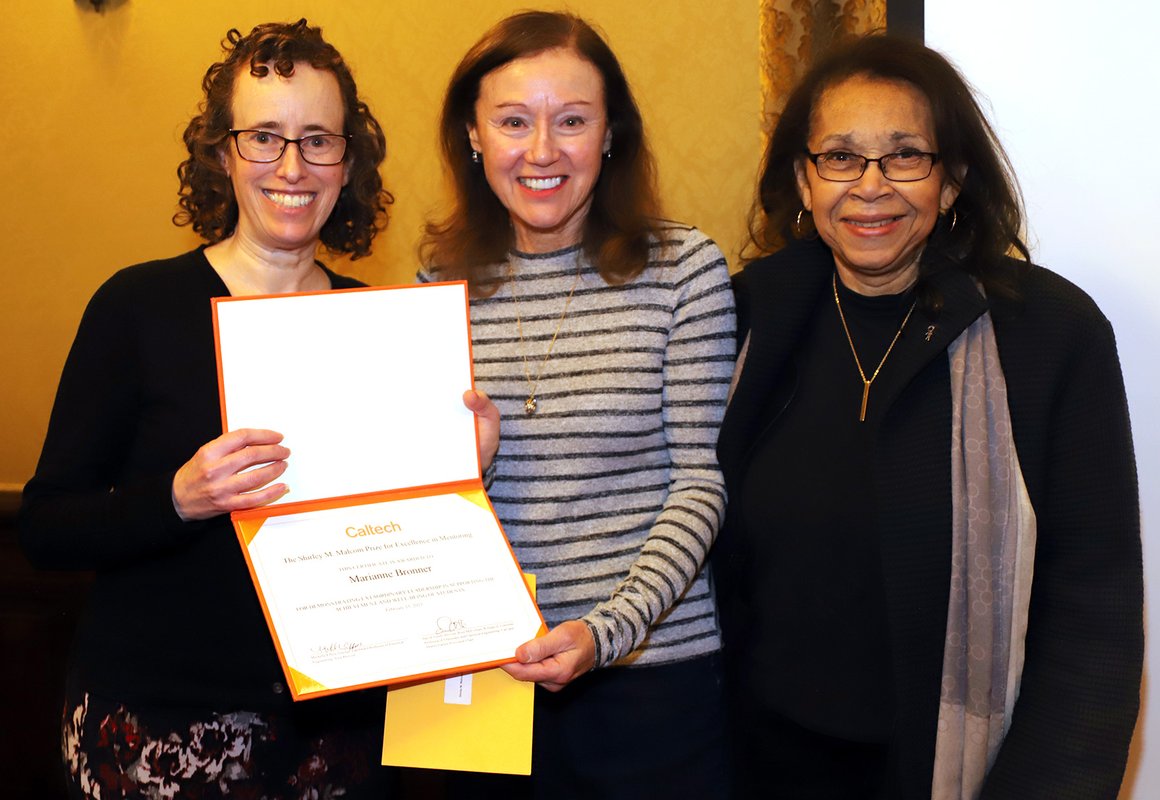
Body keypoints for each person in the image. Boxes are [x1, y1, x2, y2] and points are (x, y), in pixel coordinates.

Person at [19, 19, 498, 799]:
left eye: (318, 140)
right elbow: (45, 528)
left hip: (334, 741)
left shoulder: (379, 326)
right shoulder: (137, 307)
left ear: (349, 165)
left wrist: (456, 470)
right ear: (222, 154)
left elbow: (398, 543)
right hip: (158, 734)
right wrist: (179, 498)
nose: (292, 165)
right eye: (264, 137)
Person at [714, 33, 1142, 799]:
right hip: (758, 765)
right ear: (803, 182)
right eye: (839, 156)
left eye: (905, 154)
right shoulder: (746, 319)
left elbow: (1096, 614)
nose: (869, 185)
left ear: (950, 183)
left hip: (956, 775)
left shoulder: (1051, 335)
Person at [419, 10, 735, 798]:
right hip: (481, 679)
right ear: (473, 135)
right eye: (514, 121)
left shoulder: (685, 271)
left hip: (651, 683)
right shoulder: (435, 290)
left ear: (611, 133)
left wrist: (605, 633)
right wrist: (465, 471)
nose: (541, 151)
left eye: (571, 121)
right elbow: (418, 510)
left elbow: (701, 482)